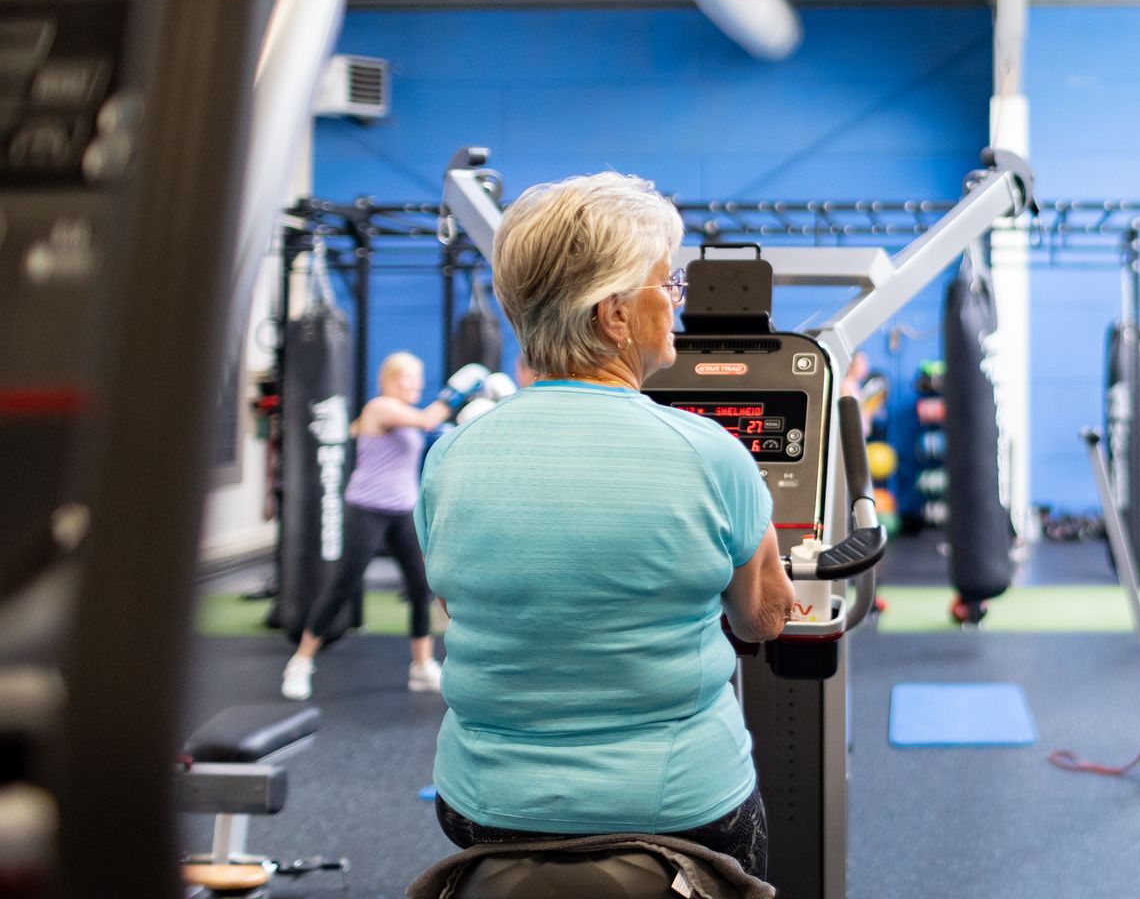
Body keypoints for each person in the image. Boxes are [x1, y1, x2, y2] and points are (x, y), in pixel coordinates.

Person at [415, 172, 794, 881]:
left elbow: (459, 606)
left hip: (485, 807)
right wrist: (765, 545)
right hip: (680, 809)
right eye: (666, 286)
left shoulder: (451, 456)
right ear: (616, 315)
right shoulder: (711, 453)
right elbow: (761, 623)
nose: (675, 306)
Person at [280, 352, 486, 702]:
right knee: (343, 584)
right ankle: (300, 662)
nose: (416, 384)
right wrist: (457, 390)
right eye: (408, 378)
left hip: (402, 510)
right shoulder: (380, 407)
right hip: (368, 509)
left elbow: (429, 428)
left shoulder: (403, 415)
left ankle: (421, 666)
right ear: (389, 379)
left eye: (419, 378)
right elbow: (425, 421)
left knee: (422, 588)